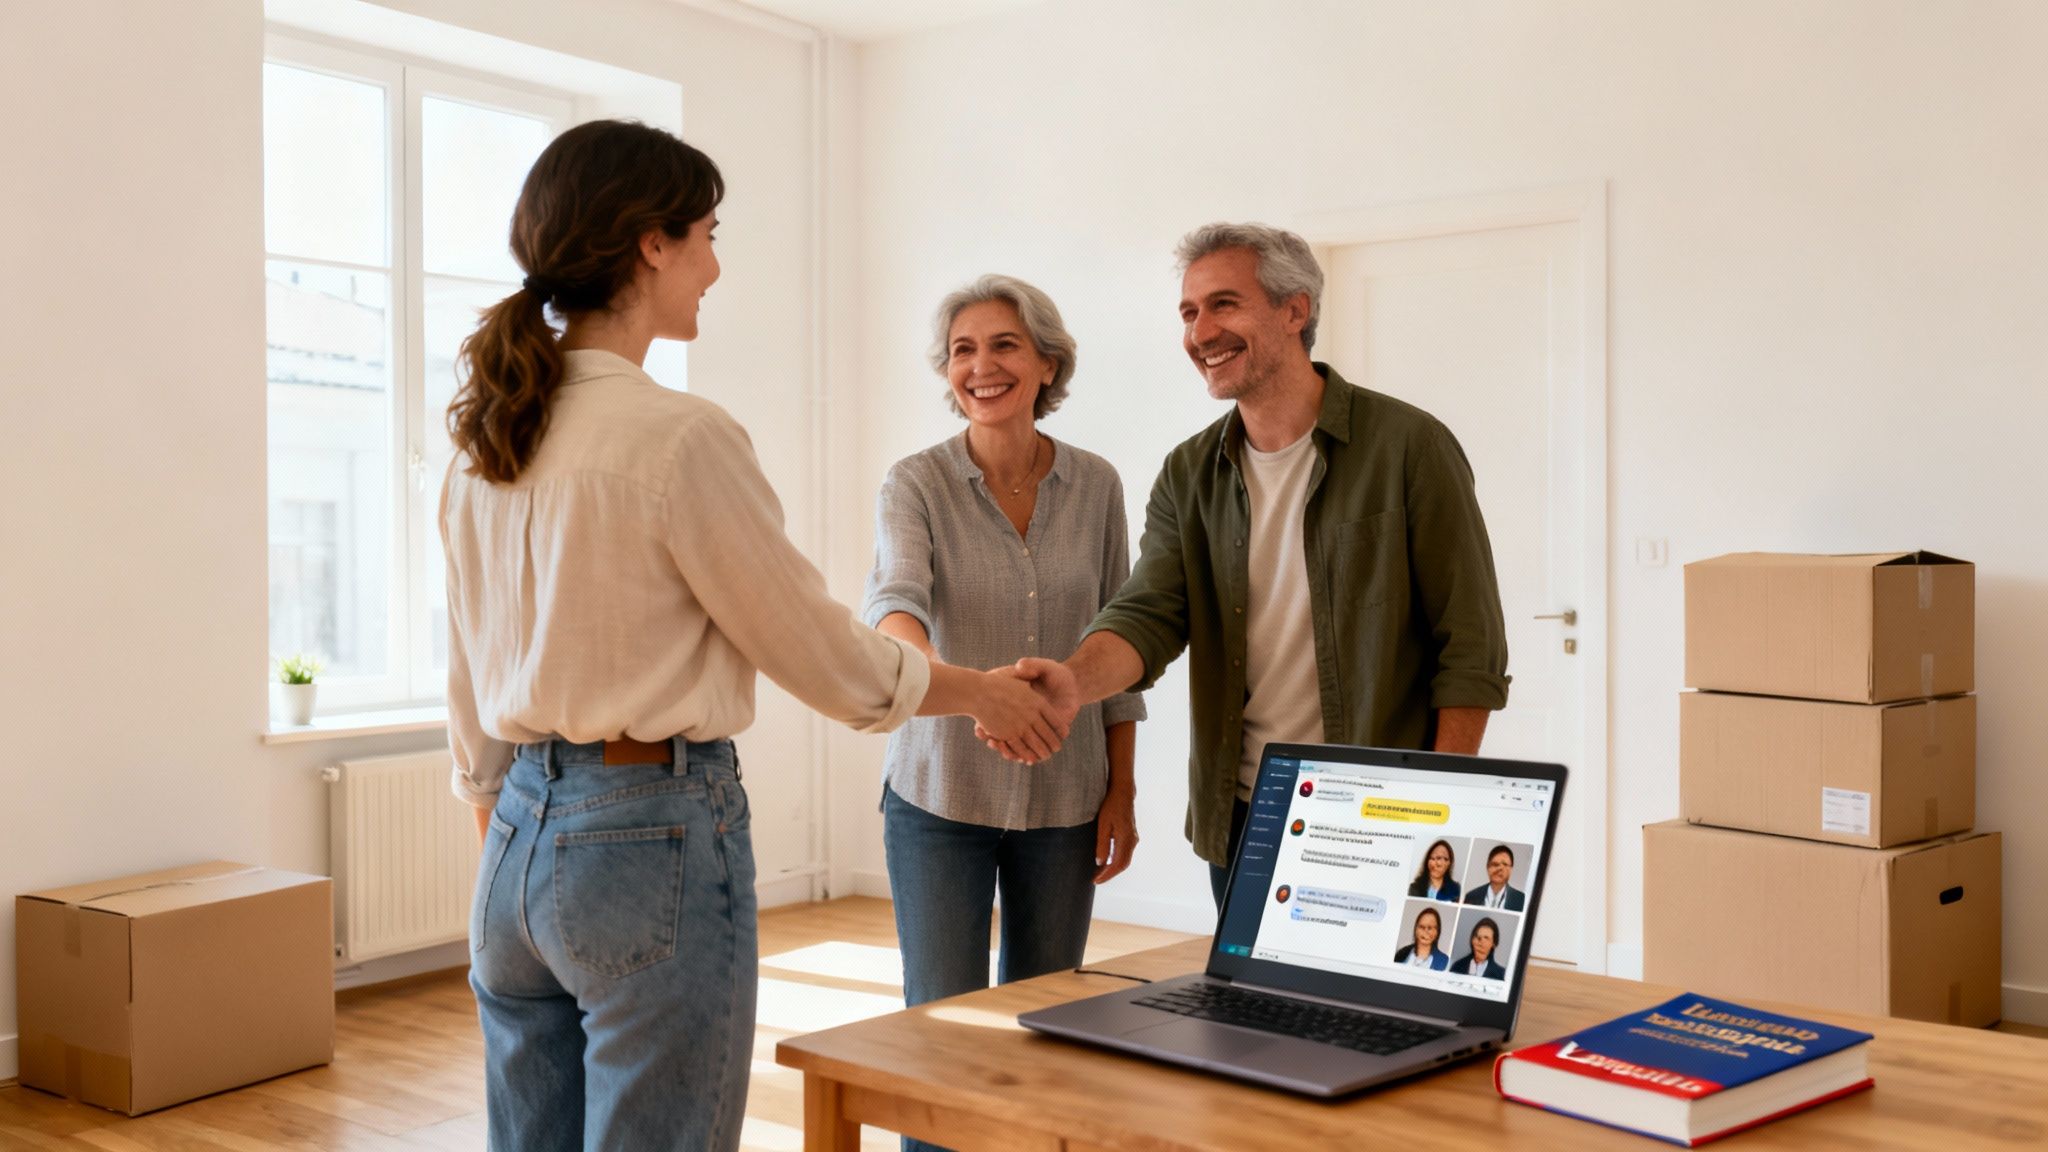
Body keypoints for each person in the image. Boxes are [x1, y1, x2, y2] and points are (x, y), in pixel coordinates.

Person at [441, 121, 1069, 1152]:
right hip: (646, 833)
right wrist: (982, 693)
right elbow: (815, 649)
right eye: (706, 234)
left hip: (513, 839)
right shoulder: (678, 436)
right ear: (651, 242)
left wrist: (505, 837)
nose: (714, 266)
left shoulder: (485, 436)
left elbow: (465, 671)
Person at [990, 222, 1511, 906]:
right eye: (1188, 312)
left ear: (1295, 309)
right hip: (1247, 814)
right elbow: (1149, 612)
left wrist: (1438, 803)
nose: (1200, 332)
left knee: (1372, 1013)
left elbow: (1469, 644)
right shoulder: (1190, 472)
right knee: (1251, 1009)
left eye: (1223, 304)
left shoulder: (1409, 448)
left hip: (1381, 811)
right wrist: (1072, 682)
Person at [862, 276, 1146, 1096]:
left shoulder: (1097, 485)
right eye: (962, 350)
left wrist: (1120, 789)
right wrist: (967, 688)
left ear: (1049, 364)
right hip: (939, 797)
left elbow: (1119, 635)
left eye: (1004, 344)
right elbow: (894, 603)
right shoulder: (913, 483)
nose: (980, 366)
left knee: (1047, 1026)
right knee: (943, 1034)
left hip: (1065, 802)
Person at [1462, 844, 1527, 911]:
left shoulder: (1521, 899)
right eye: (1495, 864)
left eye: (1505, 864)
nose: (1499, 868)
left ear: (1511, 869)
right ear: (1487, 867)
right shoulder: (1471, 896)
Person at [1392, 907, 1449, 971]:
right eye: (1422, 927)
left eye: (1430, 928)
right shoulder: (1401, 953)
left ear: (1437, 932)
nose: (1426, 932)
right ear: (1415, 929)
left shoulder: (1444, 961)